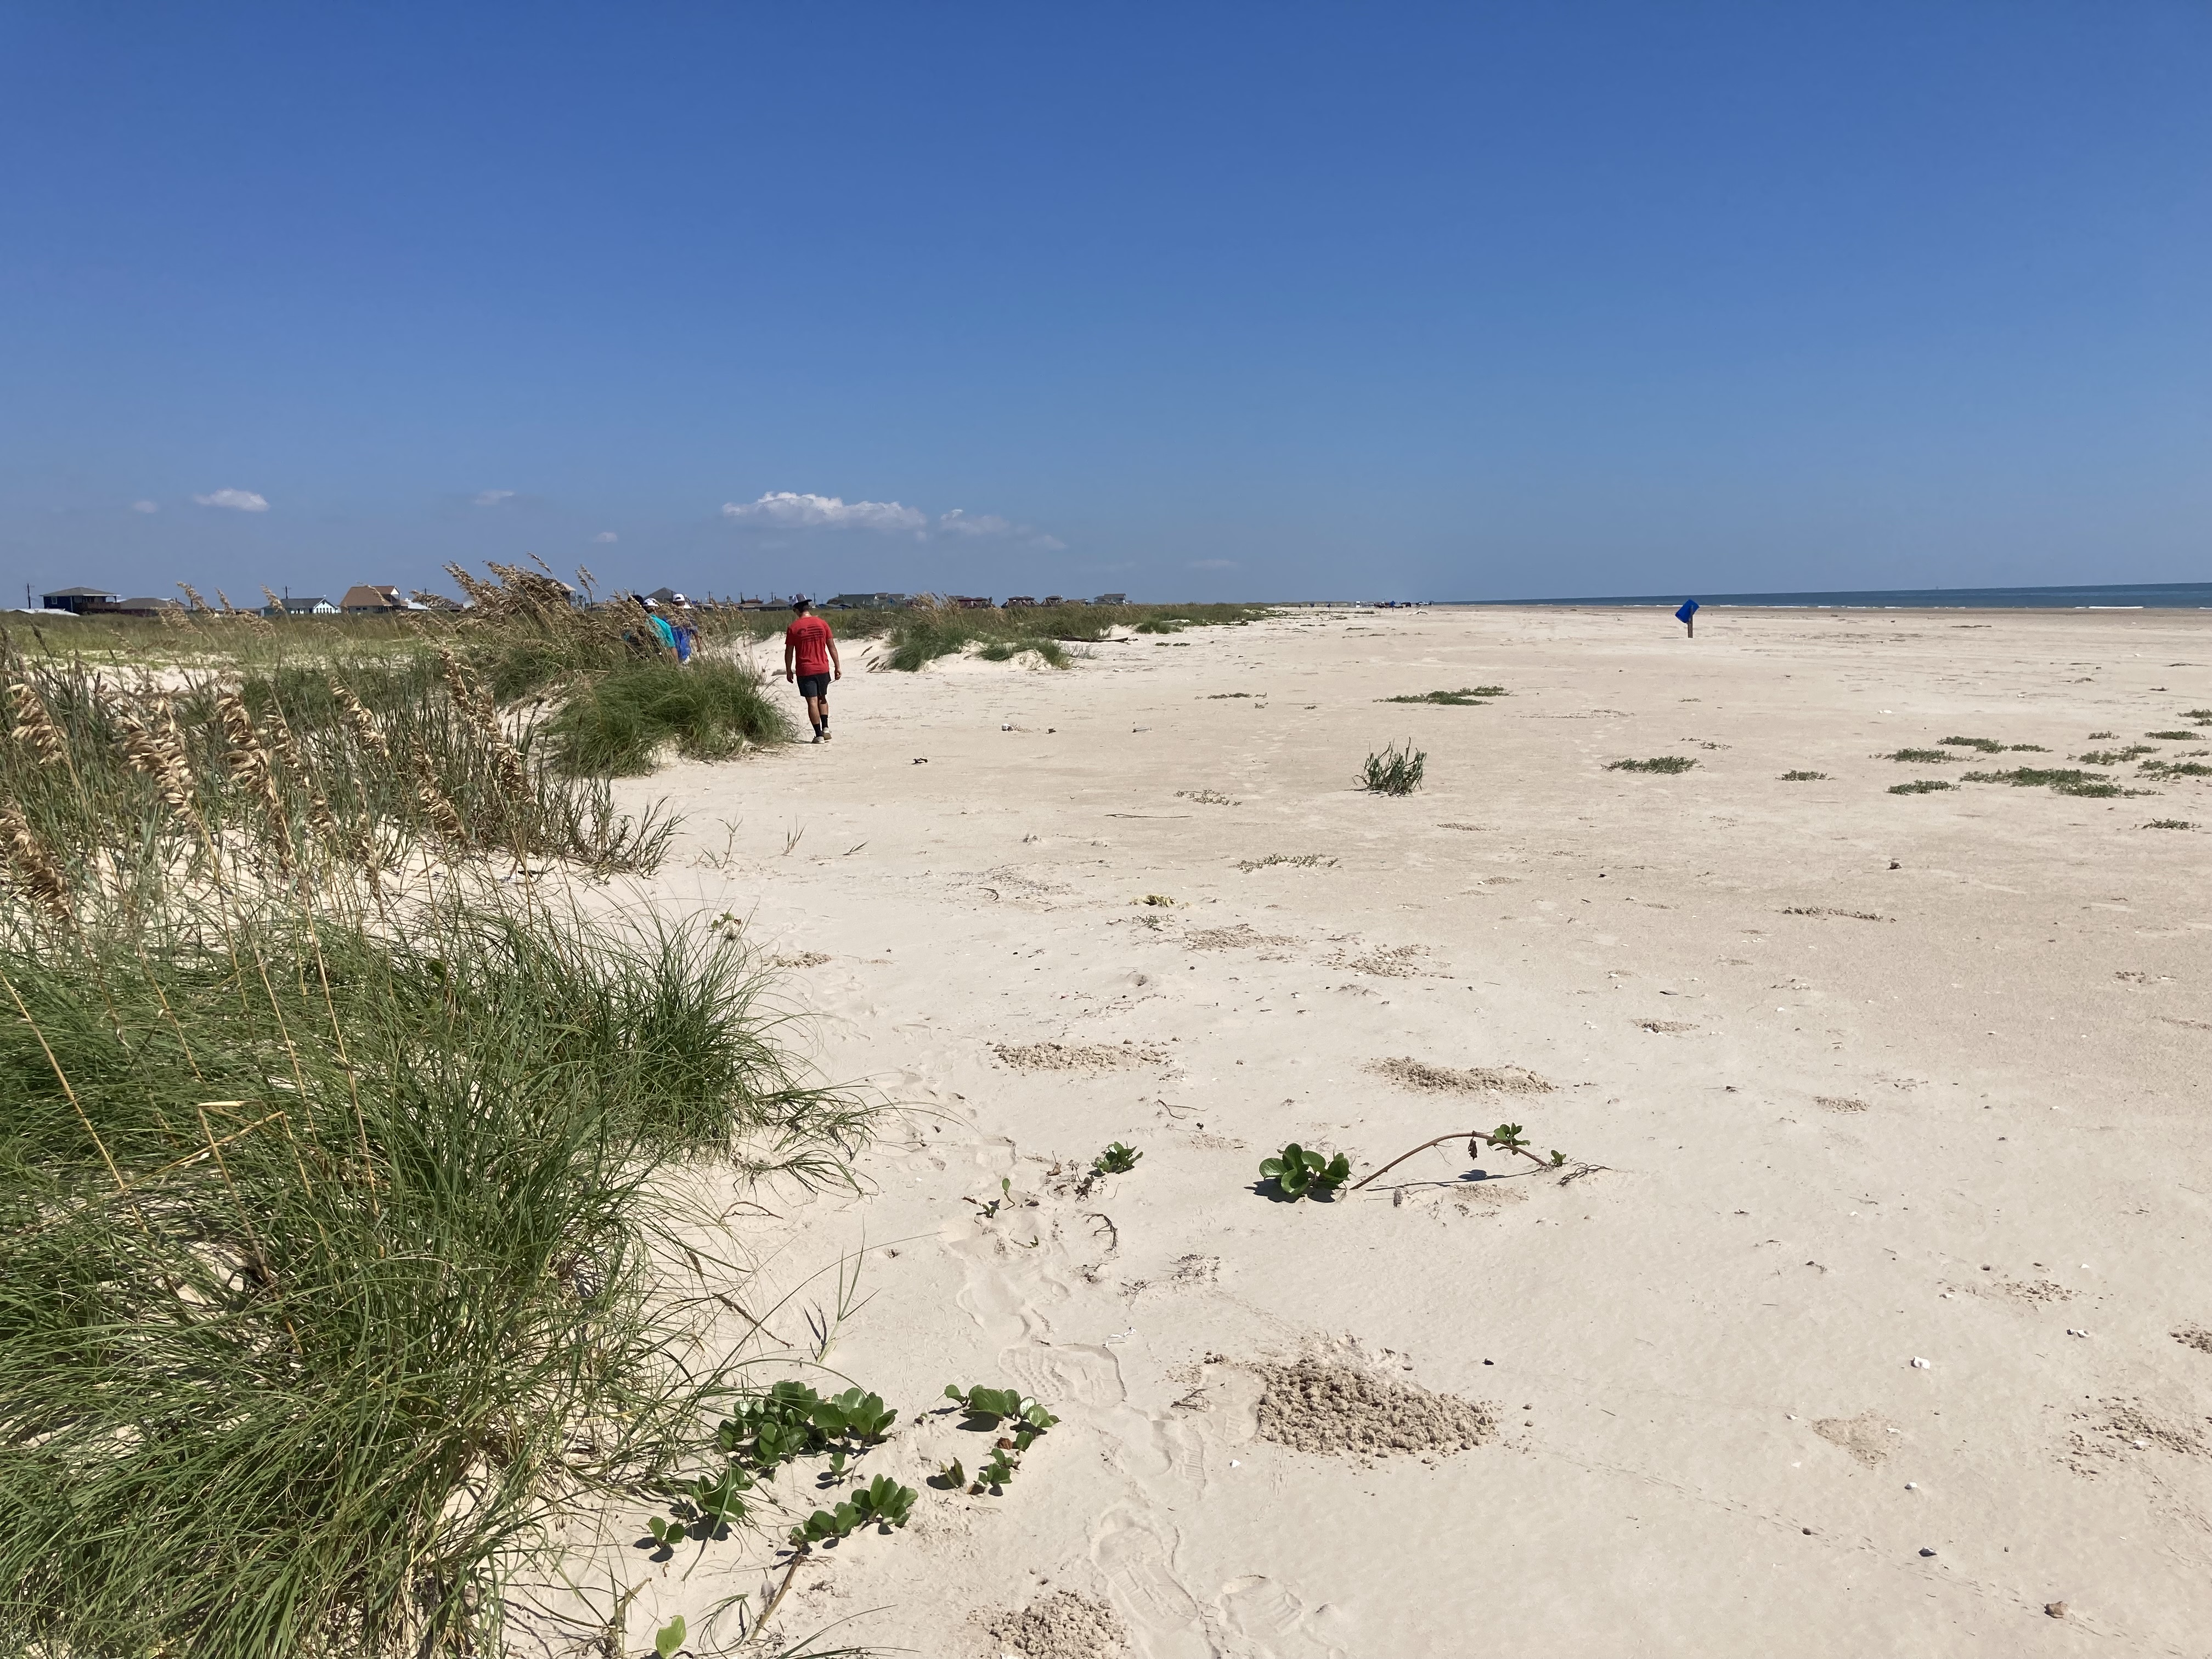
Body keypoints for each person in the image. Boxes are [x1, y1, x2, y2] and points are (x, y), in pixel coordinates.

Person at [783, 597, 840, 742]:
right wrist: (837, 666)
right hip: (822, 667)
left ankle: (819, 735)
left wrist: (789, 670)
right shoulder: (822, 623)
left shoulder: (793, 628)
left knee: (812, 701)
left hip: (805, 669)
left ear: (796, 610)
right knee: (822, 697)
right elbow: (832, 647)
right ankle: (826, 728)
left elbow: (789, 651)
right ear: (808, 608)